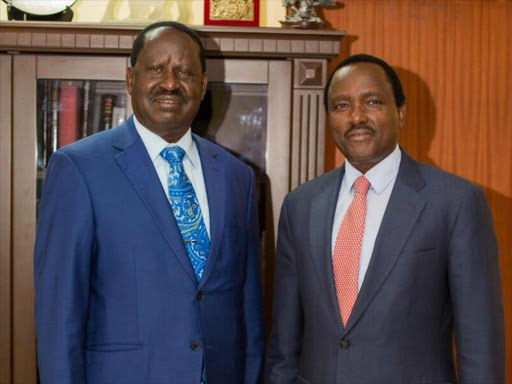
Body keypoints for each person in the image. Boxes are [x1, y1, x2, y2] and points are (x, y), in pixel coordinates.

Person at [34, 21, 264, 384]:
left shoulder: (238, 177)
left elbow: (248, 309)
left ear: (202, 87)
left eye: (185, 72)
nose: (170, 83)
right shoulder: (79, 168)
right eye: (156, 69)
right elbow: (59, 314)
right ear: (130, 80)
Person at [265, 54, 505, 383]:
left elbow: (480, 346)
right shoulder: (300, 206)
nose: (357, 117)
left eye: (373, 101)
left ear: (400, 113)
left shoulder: (456, 202)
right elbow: (284, 343)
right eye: (341, 106)